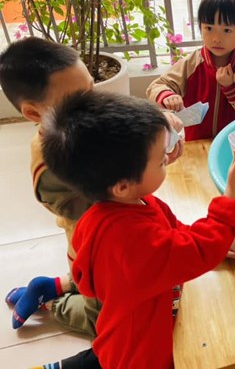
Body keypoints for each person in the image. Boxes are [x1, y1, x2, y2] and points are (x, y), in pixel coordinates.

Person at [0, 37, 182, 369]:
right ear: (33, 112)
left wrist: (155, 132)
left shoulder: (82, 127)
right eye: (79, 100)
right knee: (102, 316)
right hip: (96, 249)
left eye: (92, 89)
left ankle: (50, 285)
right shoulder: (51, 170)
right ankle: (52, 305)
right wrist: (148, 159)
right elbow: (116, 199)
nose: (95, 103)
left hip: (114, 243)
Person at [41, 90, 235, 369]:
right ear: (123, 185)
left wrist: (215, 236)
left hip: (125, 328)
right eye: (161, 161)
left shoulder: (117, 205)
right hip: (142, 354)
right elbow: (197, 252)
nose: (168, 158)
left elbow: (172, 232)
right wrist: (232, 196)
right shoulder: (132, 241)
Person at [147, 0, 235, 140]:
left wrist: (231, 89)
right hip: (197, 144)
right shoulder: (192, 63)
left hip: (234, 144)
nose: (216, 38)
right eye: (209, 28)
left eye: (227, 30)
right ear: (200, 27)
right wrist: (167, 95)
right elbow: (156, 86)